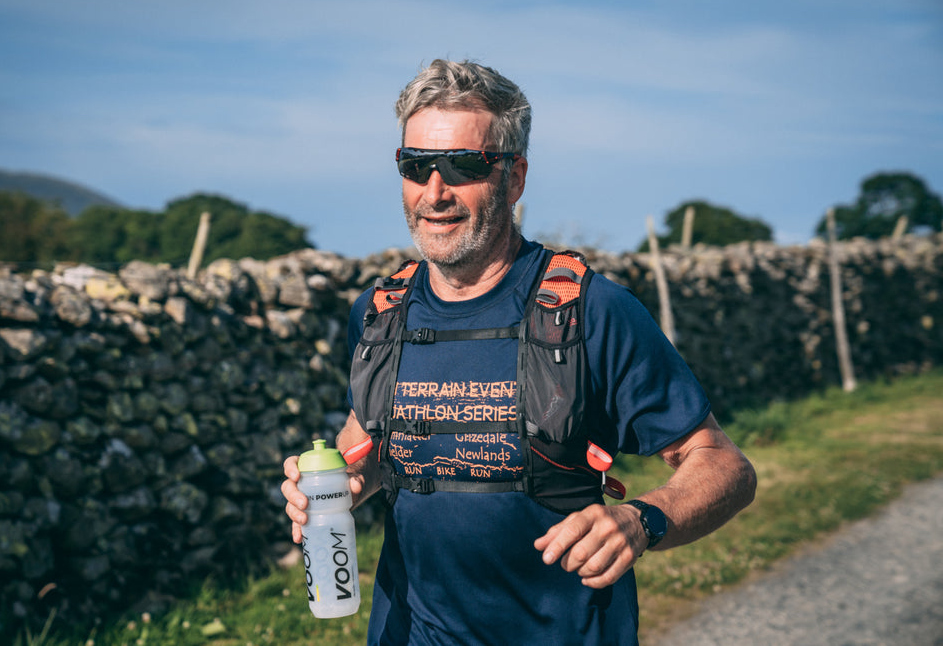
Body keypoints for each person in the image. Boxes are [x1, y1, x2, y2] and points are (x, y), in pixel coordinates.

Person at [282, 58, 757, 645]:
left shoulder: (591, 309)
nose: (435, 192)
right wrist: (336, 483)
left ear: (515, 176)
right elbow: (371, 449)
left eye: (463, 166)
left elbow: (723, 463)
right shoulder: (379, 313)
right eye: (416, 165)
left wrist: (641, 521)